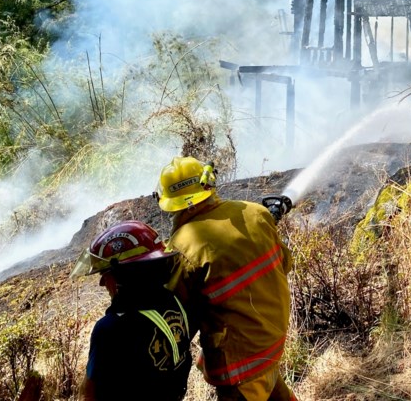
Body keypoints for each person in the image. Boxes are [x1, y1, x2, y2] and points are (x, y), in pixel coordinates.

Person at [156, 156, 296, 401]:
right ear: (208, 185)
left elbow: (176, 316)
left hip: (240, 365)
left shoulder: (182, 247)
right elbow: (285, 263)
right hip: (271, 345)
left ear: (172, 205)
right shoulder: (255, 213)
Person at [71, 220, 192, 401]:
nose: (102, 283)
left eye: (106, 274)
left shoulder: (110, 329)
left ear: (124, 275)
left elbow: (89, 395)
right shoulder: (175, 302)